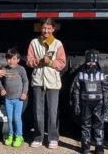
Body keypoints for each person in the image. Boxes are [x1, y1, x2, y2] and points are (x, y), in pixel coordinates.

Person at [26, 18, 67, 150]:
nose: (46, 31)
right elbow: (29, 61)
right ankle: (38, 137)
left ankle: (53, 138)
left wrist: (50, 62)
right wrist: (39, 61)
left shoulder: (58, 44)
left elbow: (62, 63)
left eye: (49, 28)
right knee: (38, 111)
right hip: (38, 80)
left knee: (52, 111)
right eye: (44, 28)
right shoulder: (34, 42)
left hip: (53, 82)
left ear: (53, 29)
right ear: (40, 28)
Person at [71, 49, 108, 154]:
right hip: (85, 103)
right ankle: (85, 145)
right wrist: (76, 104)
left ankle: (99, 145)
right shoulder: (80, 75)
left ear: (96, 62)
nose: (91, 64)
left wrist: (106, 102)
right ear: (85, 62)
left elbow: (106, 90)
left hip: (99, 103)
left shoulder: (102, 75)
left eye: (93, 62)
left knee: (99, 125)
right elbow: (76, 90)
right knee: (85, 125)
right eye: (89, 62)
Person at [0, 47, 29, 148]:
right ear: (6, 59)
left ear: (18, 60)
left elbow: (26, 81)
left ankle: (19, 136)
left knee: (16, 118)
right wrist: (2, 89)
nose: (11, 61)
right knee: (10, 119)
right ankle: (10, 136)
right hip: (8, 99)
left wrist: (24, 93)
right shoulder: (4, 69)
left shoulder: (21, 69)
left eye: (14, 59)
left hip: (18, 99)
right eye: (9, 58)